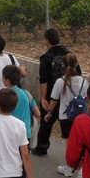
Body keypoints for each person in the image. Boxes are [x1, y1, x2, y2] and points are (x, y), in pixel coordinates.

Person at [48, 55, 89, 178]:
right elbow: (87, 99)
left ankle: (70, 167)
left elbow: (54, 100)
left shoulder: (61, 82)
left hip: (66, 116)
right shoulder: (84, 81)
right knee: (81, 144)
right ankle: (82, 171)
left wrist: (49, 113)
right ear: (77, 65)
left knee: (69, 143)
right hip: (81, 116)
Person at [32, 28, 71, 156]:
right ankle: (75, 151)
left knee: (46, 121)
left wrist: (43, 98)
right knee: (69, 125)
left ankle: (42, 147)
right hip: (69, 94)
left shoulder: (46, 58)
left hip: (52, 95)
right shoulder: (69, 54)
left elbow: (44, 80)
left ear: (46, 40)